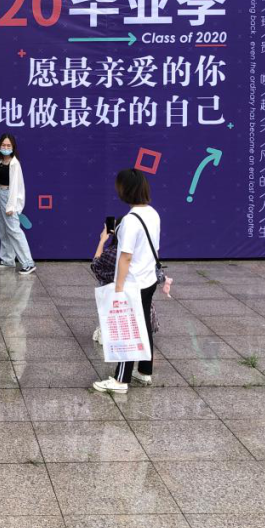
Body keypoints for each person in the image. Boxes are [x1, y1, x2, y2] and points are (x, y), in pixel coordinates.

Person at [93, 168, 161, 393]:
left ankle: (121, 380)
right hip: (148, 279)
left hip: (132, 282)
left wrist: (119, 287)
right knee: (144, 325)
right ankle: (145, 372)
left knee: (128, 330)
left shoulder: (130, 221)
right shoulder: (153, 214)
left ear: (126, 191)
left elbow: (125, 257)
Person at [0, 111, 35, 275]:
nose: (5, 148)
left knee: (14, 230)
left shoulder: (14, 164)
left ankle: (28, 262)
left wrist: (12, 206)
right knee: (3, 229)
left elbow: (17, 187)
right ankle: (7, 259)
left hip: (8, 197)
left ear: (13, 147)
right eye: (3, 145)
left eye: (8, 146)